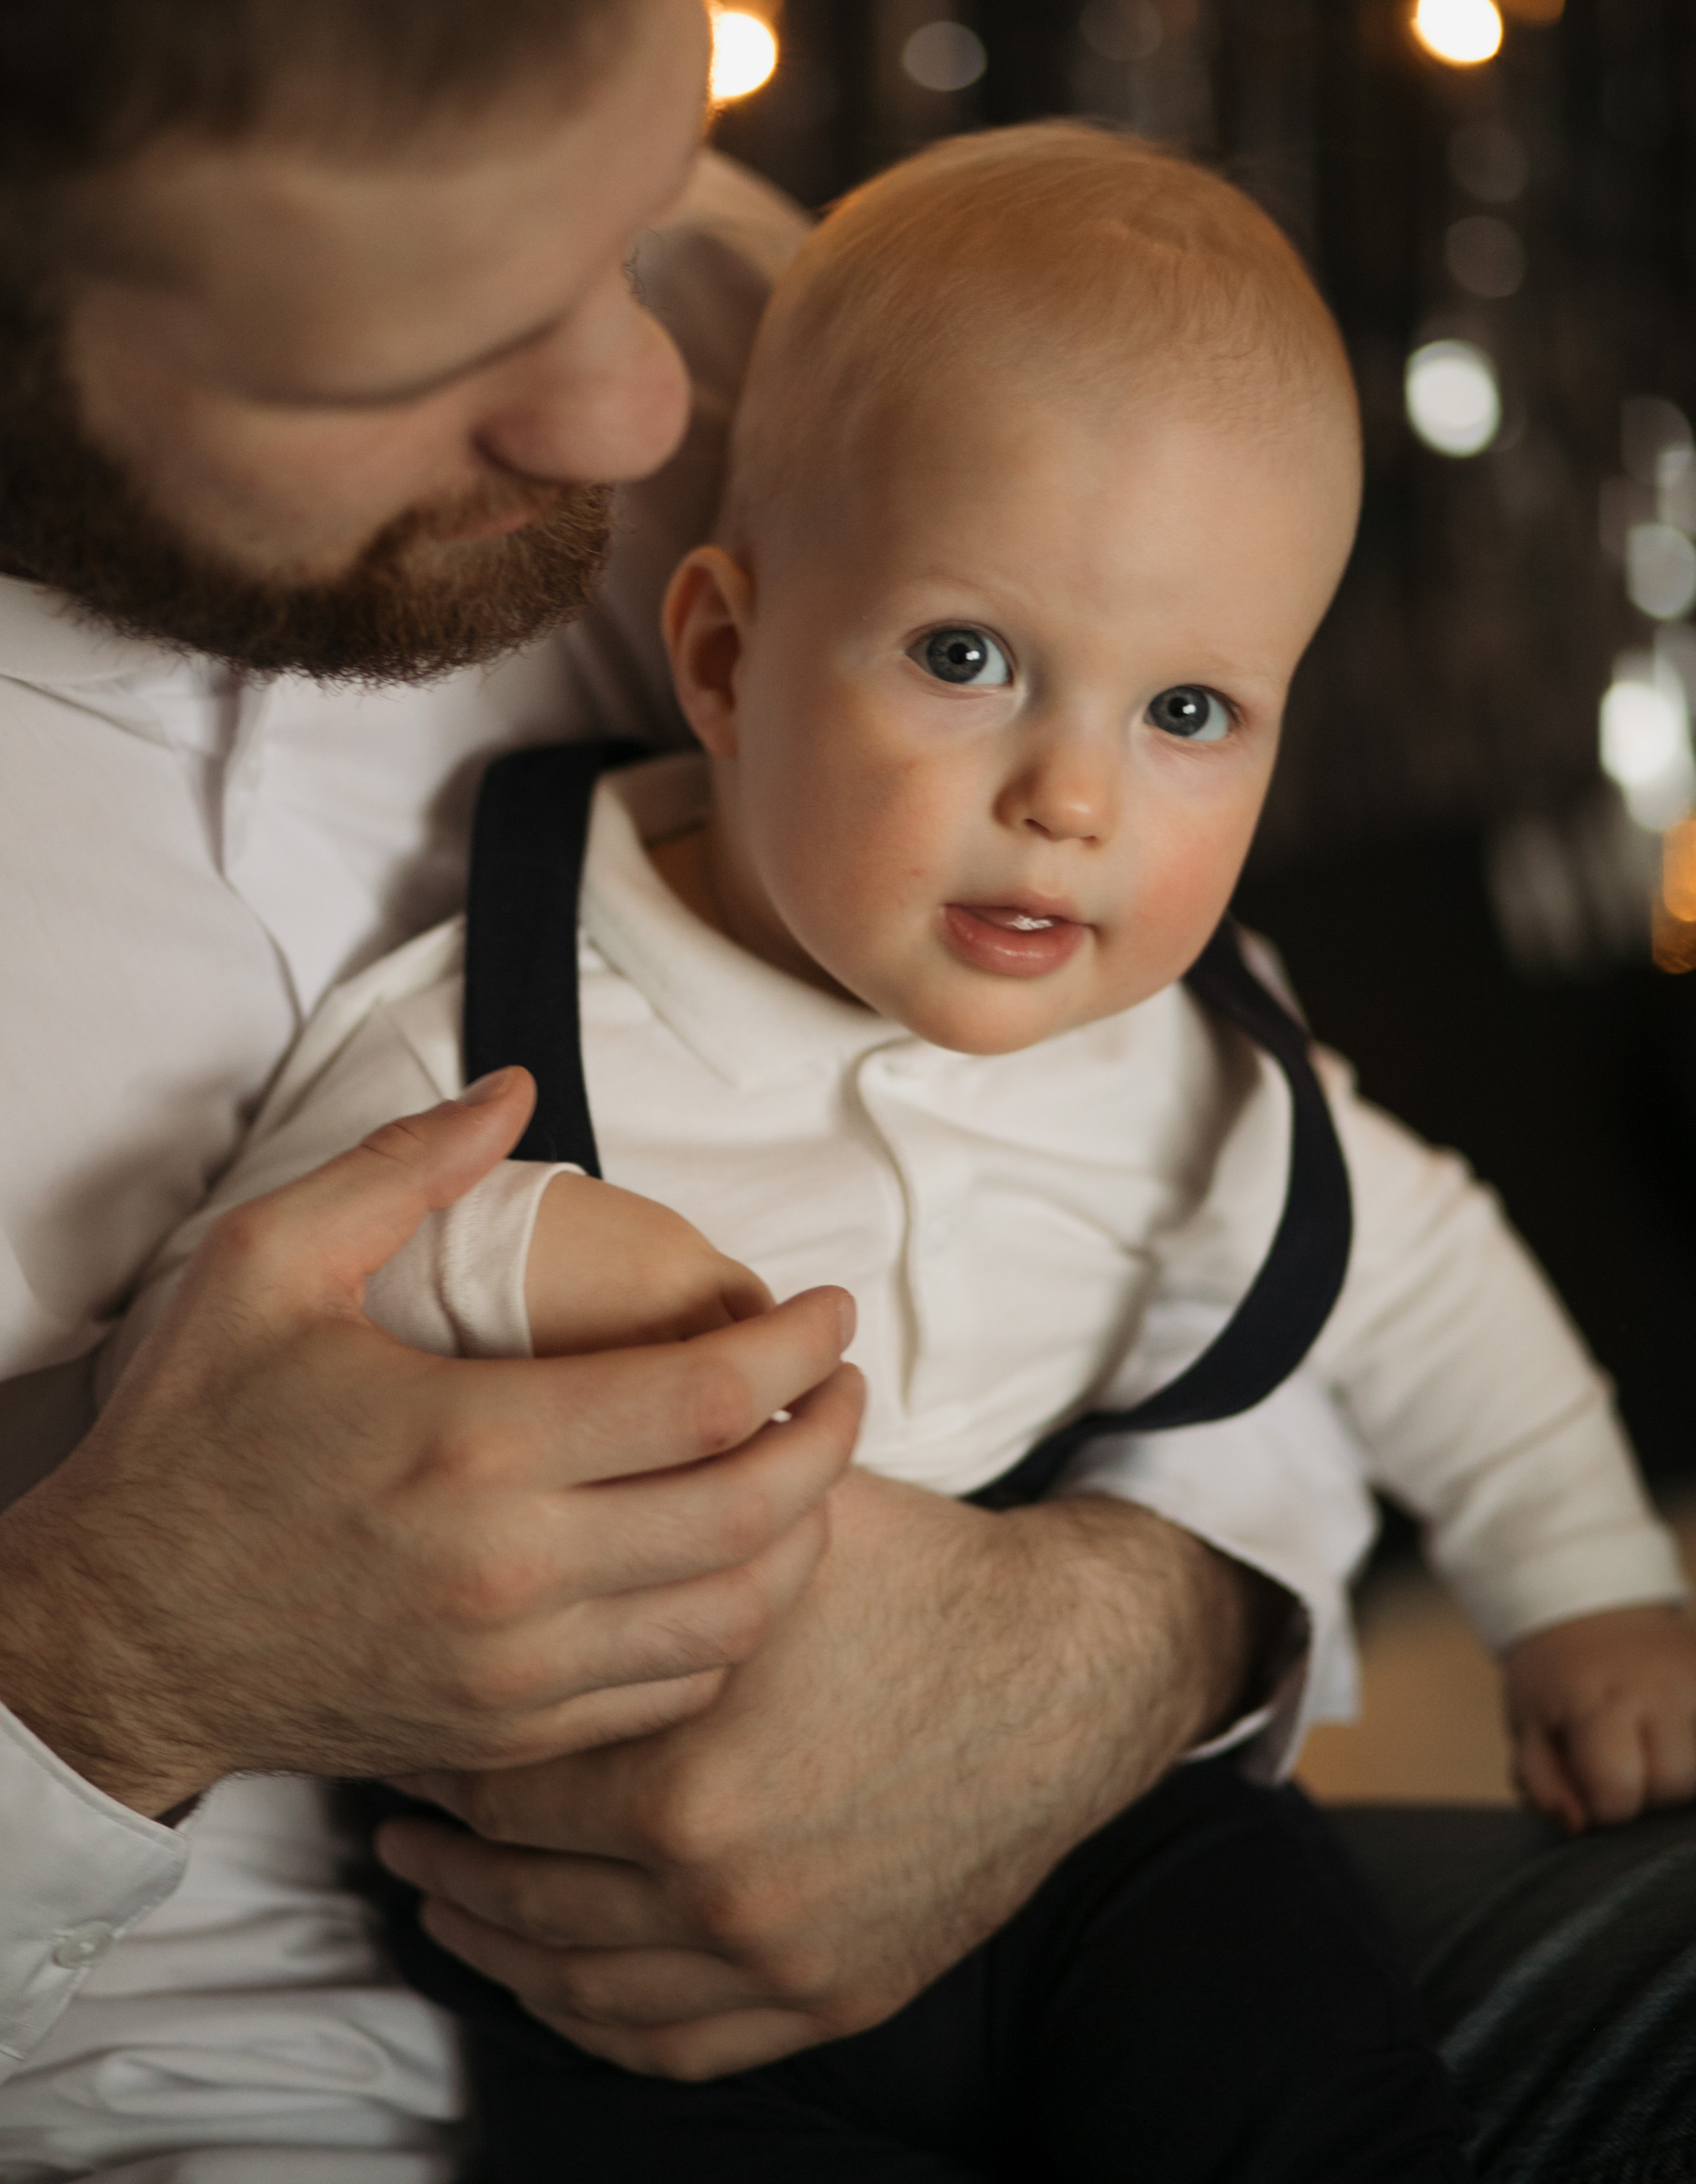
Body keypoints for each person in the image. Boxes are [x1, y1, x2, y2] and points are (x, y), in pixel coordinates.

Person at [0, 0, 1302, 2175]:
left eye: (646, 182)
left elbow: (1196, 1122)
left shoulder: (723, 304)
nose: (641, 407)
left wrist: (1118, 1636)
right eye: (426, 354)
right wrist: (98, 1672)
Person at [116, 126, 1696, 2180]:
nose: (1070, 799)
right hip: (616, 1950)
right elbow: (250, 1352)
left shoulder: (1185, 1060)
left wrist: (1581, 1591)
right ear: (725, 656)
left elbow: (1416, 1267)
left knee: (1298, 2072)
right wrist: (506, 1257)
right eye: (969, 660)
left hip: (1111, 1842)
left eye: (1193, 710)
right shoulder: (505, 1016)